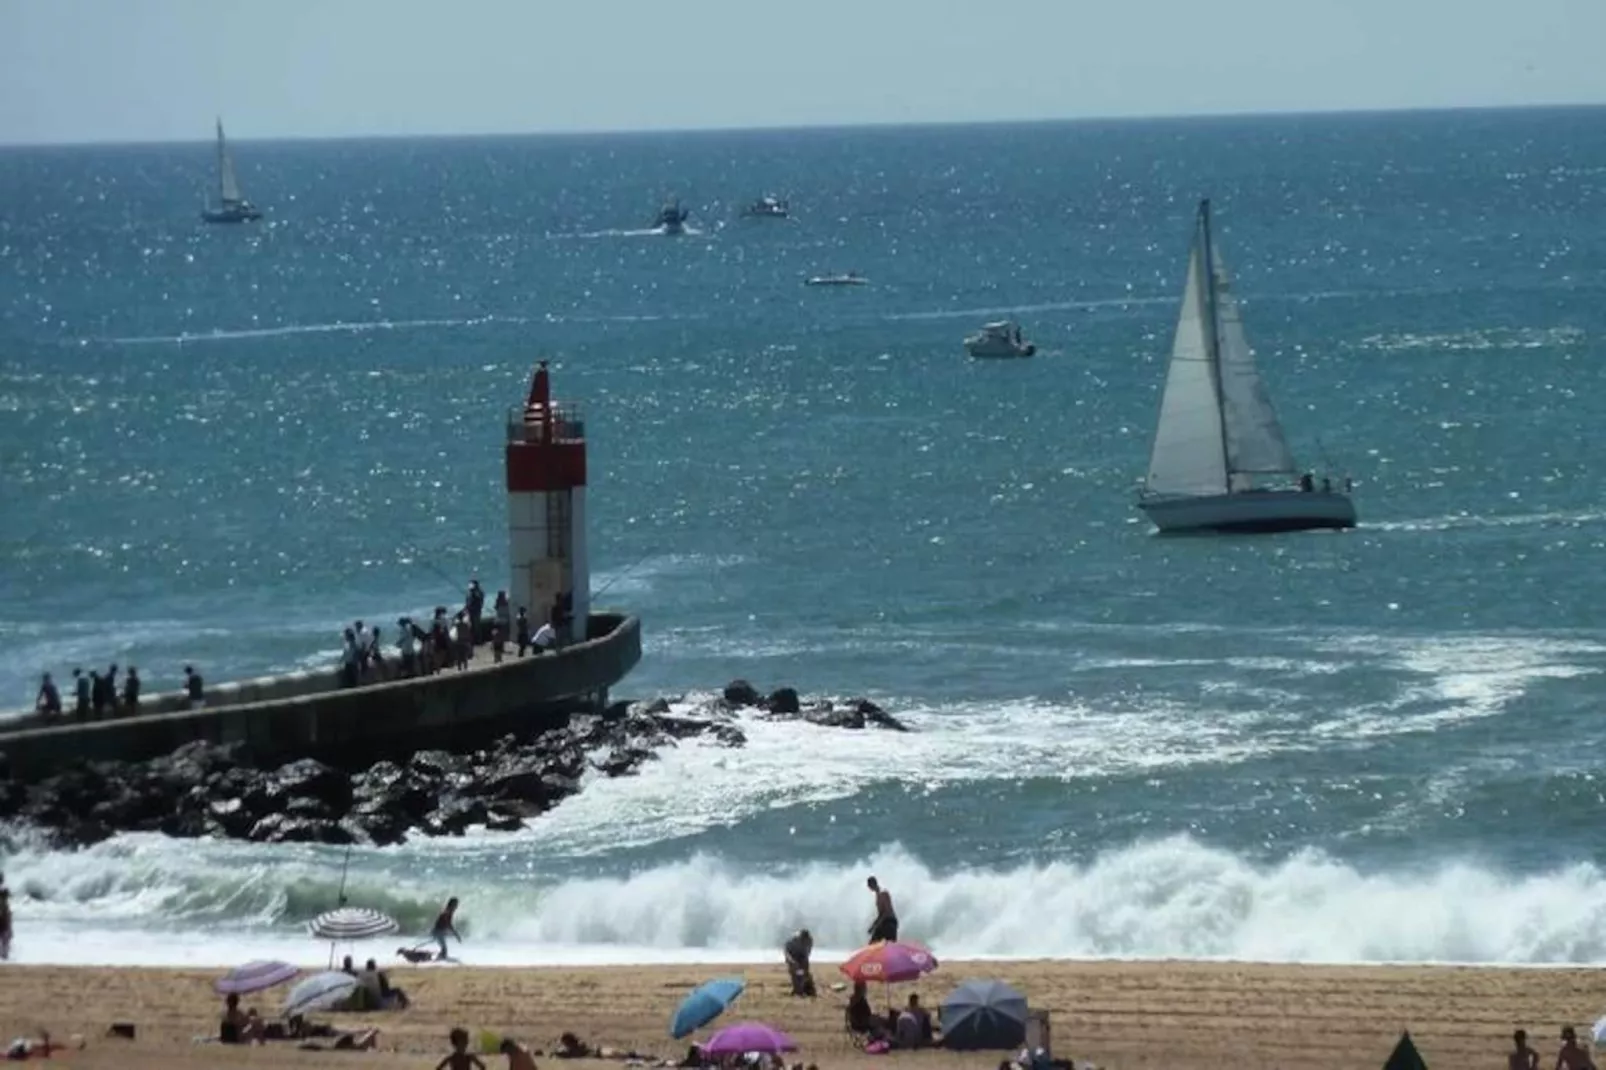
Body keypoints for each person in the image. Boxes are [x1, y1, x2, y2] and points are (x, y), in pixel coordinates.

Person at [783, 929, 815, 997]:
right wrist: (793, 962)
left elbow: (808, 951)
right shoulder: (791, 942)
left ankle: (807, 990)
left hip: (803, 957)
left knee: (805, 974)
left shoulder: (809, 940)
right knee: (795, 975)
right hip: (792, 957)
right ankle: (798, 991)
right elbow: (787, 953)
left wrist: (805, 959)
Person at [866, 876, 898, 943]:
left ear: (873, 884)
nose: (868, 887)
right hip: (883, 922)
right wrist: (873, 926)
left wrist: (876, 925)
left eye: (869, 885)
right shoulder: (877, 894)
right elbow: (881, 913)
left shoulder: (883, 893)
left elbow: (887, 911)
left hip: (890, 922)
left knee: (890, 945)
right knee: (872, 944)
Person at [0, 881, 11, 961]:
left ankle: (4, 955)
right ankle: (4, 956)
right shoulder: (4, 889)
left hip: (4, 917)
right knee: (5, 937)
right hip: (4, 918)